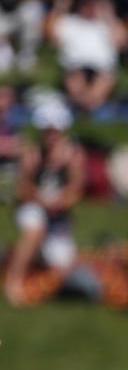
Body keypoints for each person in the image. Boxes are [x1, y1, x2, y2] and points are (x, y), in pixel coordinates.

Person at [4, 99, 87, 307]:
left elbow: (75, 190)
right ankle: (12, 282)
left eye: (54, 130)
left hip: (58, 215)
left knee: (62, 266)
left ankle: (29, 260)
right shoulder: (32, 153)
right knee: (34, 227)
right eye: (46, 130)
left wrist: (58, 201)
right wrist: (43, 200)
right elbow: (22, 188)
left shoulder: (73, 155)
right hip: (33, 207)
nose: (50, 135)